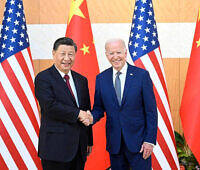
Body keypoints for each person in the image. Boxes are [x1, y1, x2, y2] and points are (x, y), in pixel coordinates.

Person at [86, 38, 158, 170]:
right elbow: (98, 108)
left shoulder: (141, 76)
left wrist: (149, 140)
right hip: (115, 144)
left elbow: (151, 111)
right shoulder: (101, 78)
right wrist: (90, 117)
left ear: (125, 53)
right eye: (111, 53)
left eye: (118, 52)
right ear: (106, 55)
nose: (115, 57)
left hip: (140, 143)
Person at [34, 37, 93, 170]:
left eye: (70, 54)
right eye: (63, 54)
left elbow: (86, 110)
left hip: (79, 147)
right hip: (55, 149)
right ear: (54, 54)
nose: (67, 58)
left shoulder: (81, 80)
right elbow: (50, 106)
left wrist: (89, 140)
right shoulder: (43, 78)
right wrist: (78, 114)